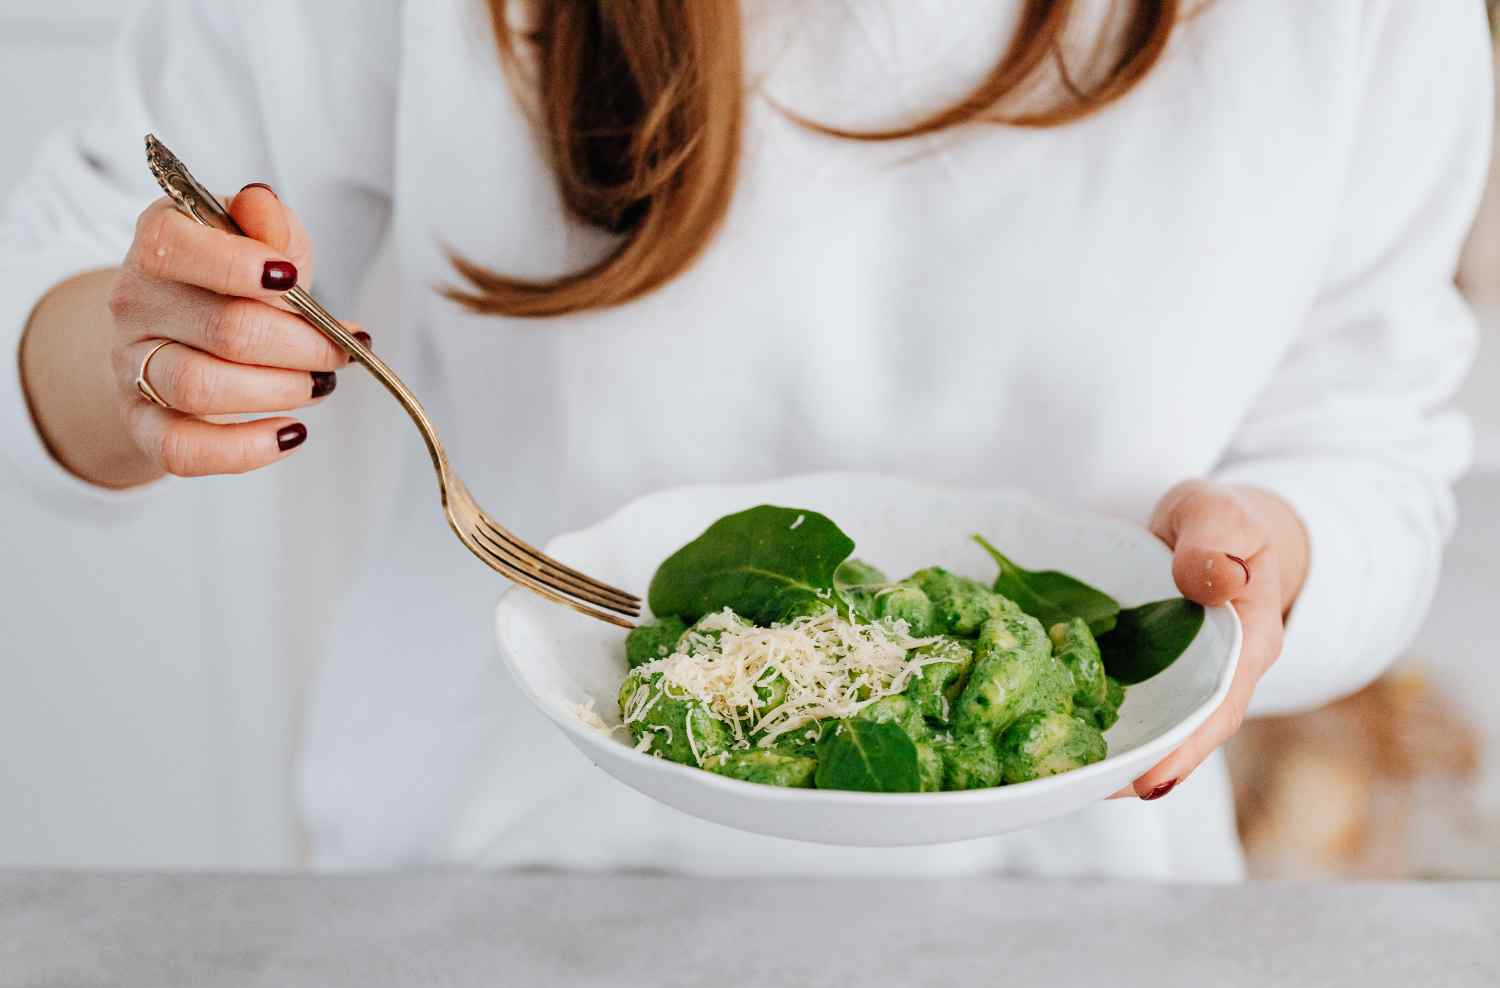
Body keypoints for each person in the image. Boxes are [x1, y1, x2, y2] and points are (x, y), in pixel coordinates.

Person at [1, 0, 1488, 879]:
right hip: (482, 894)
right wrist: (145, 362)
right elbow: (54, 275)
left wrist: (1283, 558)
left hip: (1065, 913)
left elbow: (1374, 427)